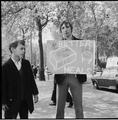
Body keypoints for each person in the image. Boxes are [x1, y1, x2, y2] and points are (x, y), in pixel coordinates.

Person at [55, 20, 87, 119]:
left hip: (76, 77)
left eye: (67, 27)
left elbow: (86, 58)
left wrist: (89, 67)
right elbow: (54, 60)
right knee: (59, 108)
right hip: (62, 77)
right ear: (61, 31)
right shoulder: (56, 45)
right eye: (63, 28)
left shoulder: (80, 42)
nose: (65, 29)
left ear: (71, 29)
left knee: (78, 107)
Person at [2, 40, 39, 119]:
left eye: (24, 49)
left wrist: (35, 93)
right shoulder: (5, 66)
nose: (24, 51)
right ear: (13, 49)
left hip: (24, 100)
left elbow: (31, 80)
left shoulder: (26, 63)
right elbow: (3, 86)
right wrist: (3, 102)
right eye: (21, 49)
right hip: (11, 102)